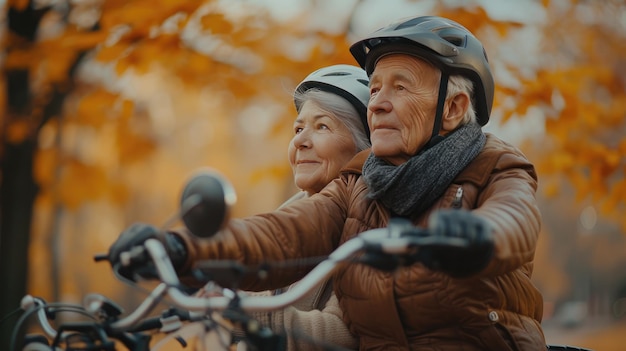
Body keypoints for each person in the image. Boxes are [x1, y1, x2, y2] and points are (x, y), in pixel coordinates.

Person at [108, 15, 546, 350]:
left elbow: (514, 221)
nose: (378, 104)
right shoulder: (359, 182)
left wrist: (475, 236)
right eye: (374, 90)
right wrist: (183, 248)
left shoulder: (496, 166)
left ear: (452, 108)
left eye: (399, 87)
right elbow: (285, 232)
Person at [239, 64, 370, 350]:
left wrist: (243, 312)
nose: (299, 140)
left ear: (363, 149)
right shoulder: (284, 218)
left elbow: (343, 335)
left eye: (322, 126)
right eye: (298, 128)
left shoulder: (370, 224)